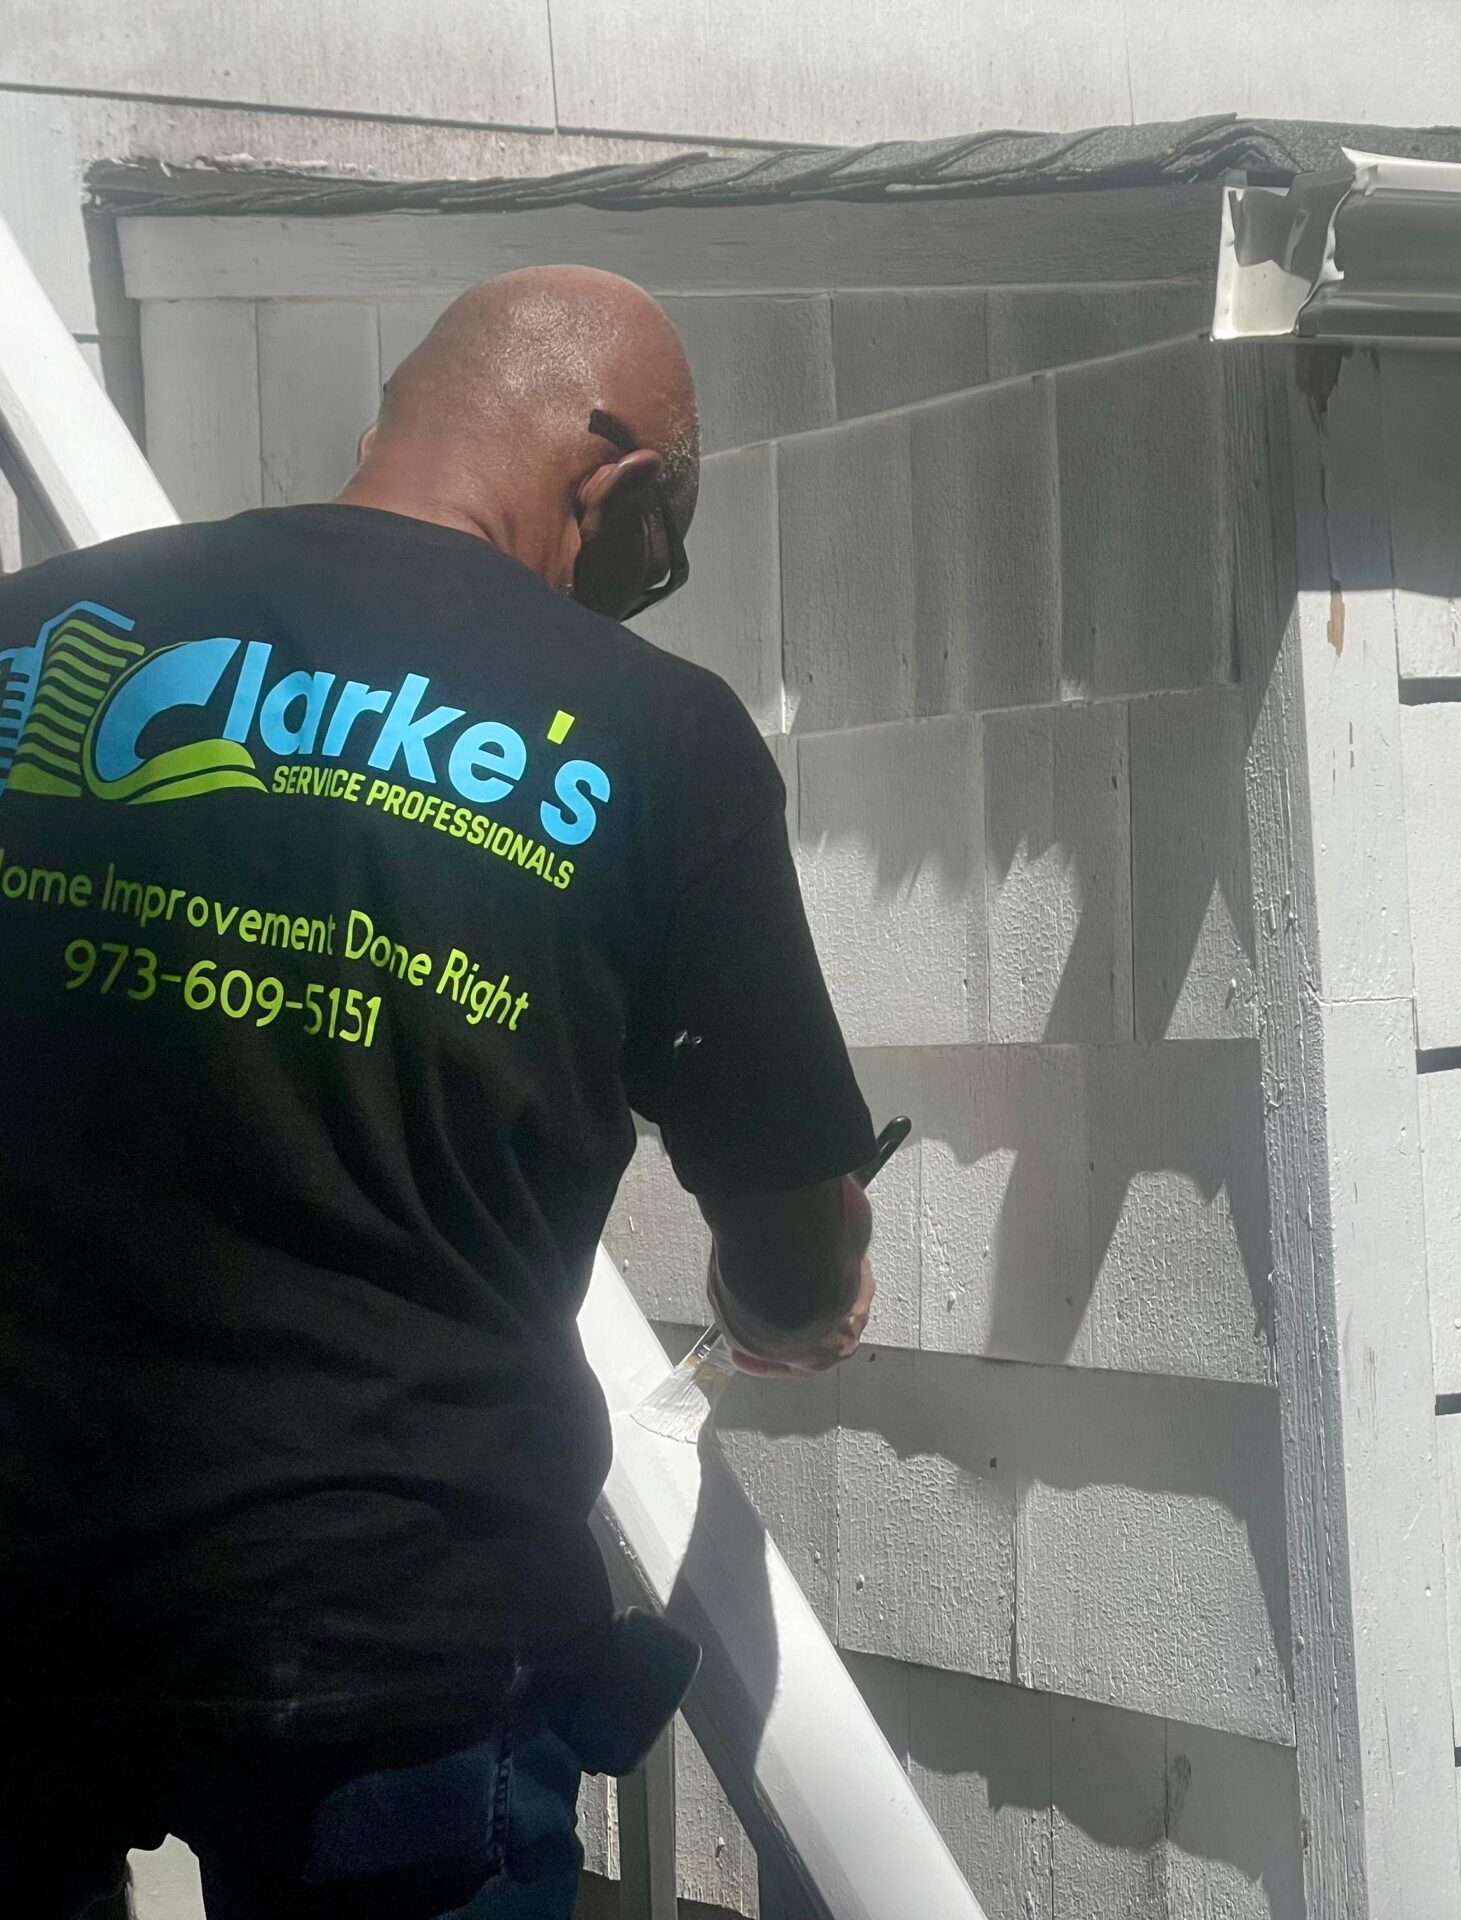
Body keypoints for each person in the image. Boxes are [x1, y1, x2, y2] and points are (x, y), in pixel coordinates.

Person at [0, 266, 879, 1918]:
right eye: (659, 556)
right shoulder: (654, 737)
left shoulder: (36, 629)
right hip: (401, 1619)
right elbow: (784, 1241)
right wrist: (796, 1303)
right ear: (610, 483)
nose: (643, 596)